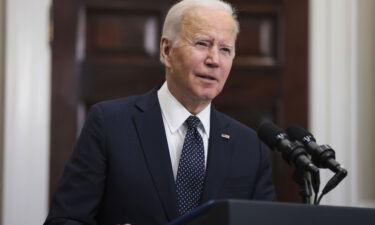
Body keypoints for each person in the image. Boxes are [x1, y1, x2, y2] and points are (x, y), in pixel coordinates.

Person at [44, 0, 276, 224]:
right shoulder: (109, 124)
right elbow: (64, 220)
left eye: (225, 49)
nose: (214, 60)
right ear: (166, 50)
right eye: (202, 43)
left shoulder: (250, 147)